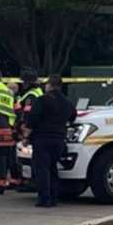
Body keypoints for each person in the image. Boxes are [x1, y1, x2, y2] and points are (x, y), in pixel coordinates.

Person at [27, 75, 76, 208]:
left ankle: (44, 199)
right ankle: (54, 197)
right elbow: (73, 116)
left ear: (50, 85)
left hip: (42, 139)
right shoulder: (67, 102)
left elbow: (32, 119)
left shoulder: (42, 100)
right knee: (52, 167)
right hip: (59, 140)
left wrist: (26, 136)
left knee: (42, 169)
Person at [14, 68, 44, 192]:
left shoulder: (31, 95)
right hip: (34, 129)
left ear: (27, 82)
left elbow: (27, 114)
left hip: (29, 130)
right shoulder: (36, 92)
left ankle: (32, 182)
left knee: (28, 157)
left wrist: (22, 129)